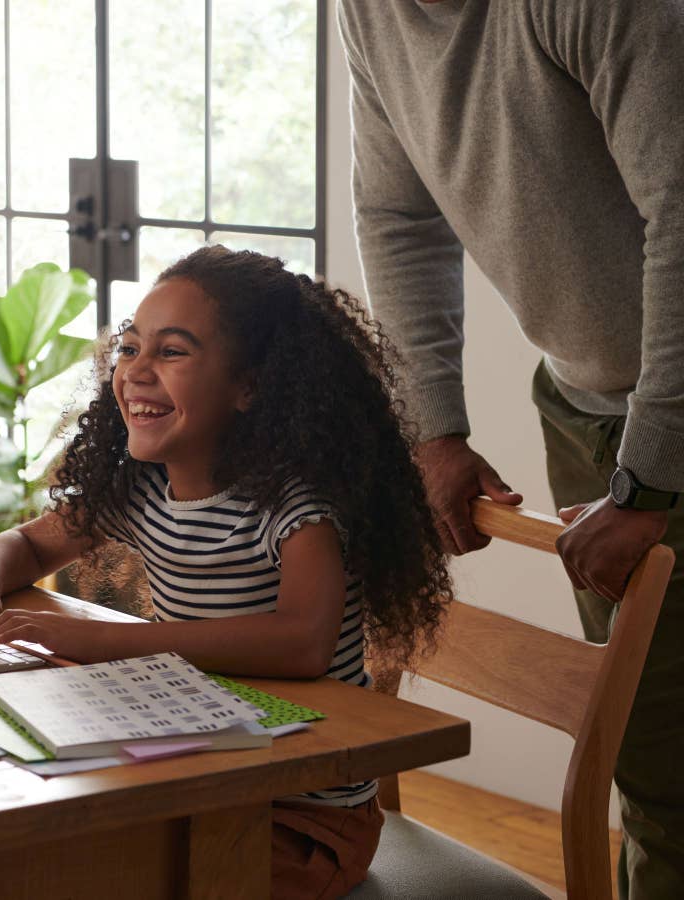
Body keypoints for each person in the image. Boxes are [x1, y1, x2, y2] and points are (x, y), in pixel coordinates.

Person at [0, 245, 454, 899]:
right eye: (131, 347)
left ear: (250, 384)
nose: (136, 371)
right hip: (195, 780)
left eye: (172, 352)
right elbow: (23, 544)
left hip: (302, 820)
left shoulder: (296, 508)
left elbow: (301, 642)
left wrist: (99, 641)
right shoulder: (139, 490)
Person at [335, 1, 684, 896]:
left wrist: (647, 479)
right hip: (587, 399)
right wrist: (435, 429)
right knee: (654, 768)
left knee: (673, 783)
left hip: (661, 412)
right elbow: (397, 216)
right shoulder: (369, 12)